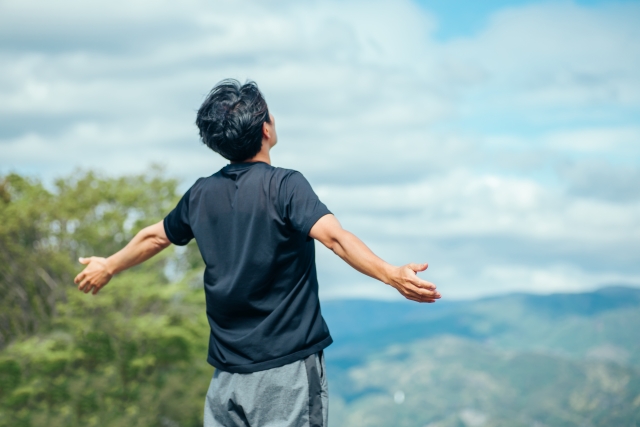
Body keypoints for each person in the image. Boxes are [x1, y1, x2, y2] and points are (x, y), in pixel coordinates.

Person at [74, 79, 441, 427]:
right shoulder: (285, 185)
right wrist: (390, 274)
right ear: (266, 129)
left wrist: (109, 265)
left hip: (226, 379)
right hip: (287, 373)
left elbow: (154, 237)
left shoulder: (201, 194)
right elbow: (335, 238)